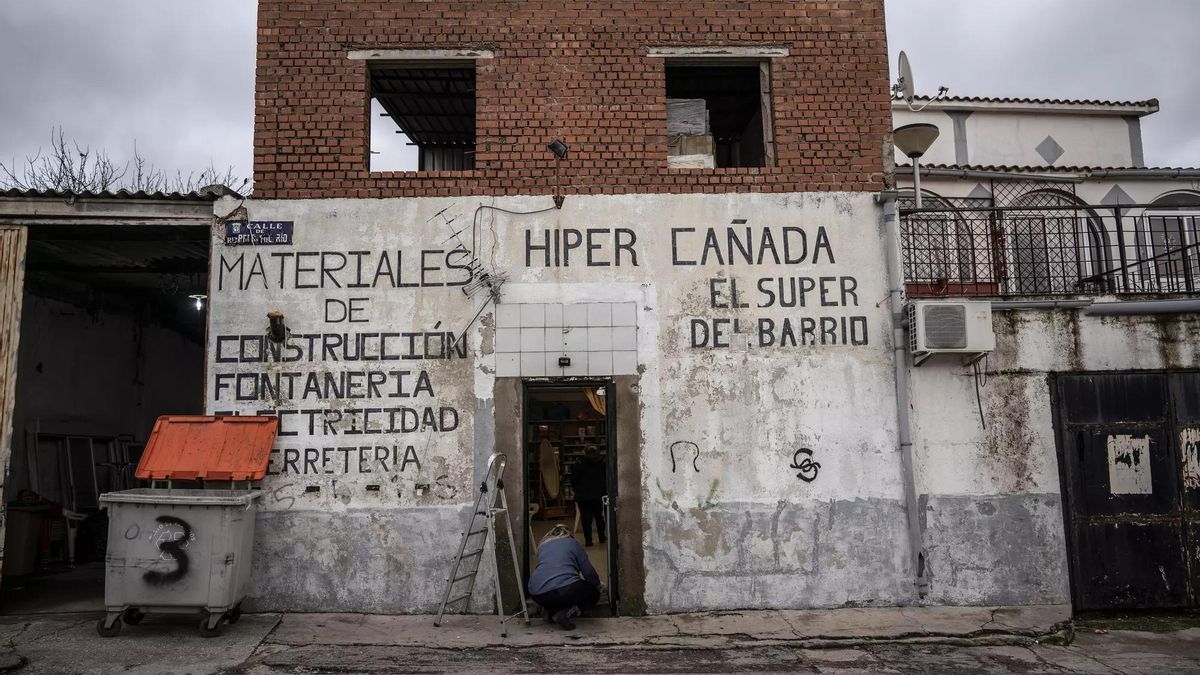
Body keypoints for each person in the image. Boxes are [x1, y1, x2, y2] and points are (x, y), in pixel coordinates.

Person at [527, 525, 600, 630]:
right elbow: (589, 572)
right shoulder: (573, 544)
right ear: (568, 535)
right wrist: (596, 585)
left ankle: (549, 611)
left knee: (557, 592)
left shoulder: (543, 546)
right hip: (562, 590)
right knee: (592, 593)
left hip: (536, 593)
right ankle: (565, 614)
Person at [570, 446, 607, 547]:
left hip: (583, 496)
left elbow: (573, 479)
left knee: (586, 519)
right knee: (599, 517)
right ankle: (602, 538)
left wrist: (576, 489)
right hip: (599, 495)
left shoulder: (580, 463)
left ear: (585, 452)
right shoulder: (602, 462)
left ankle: (588, 541)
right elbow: (606, 478)